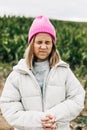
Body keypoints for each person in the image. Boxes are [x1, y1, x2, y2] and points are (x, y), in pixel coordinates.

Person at [0, 15, 85, 130]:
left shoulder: (64, 71)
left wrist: (54, 117)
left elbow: (77, 98)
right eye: (39, 42)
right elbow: (9, 107)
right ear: (32, 45)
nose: (43, 46)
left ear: (52, 45)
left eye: (47, 42)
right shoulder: (18, 74)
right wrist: (41, 121)